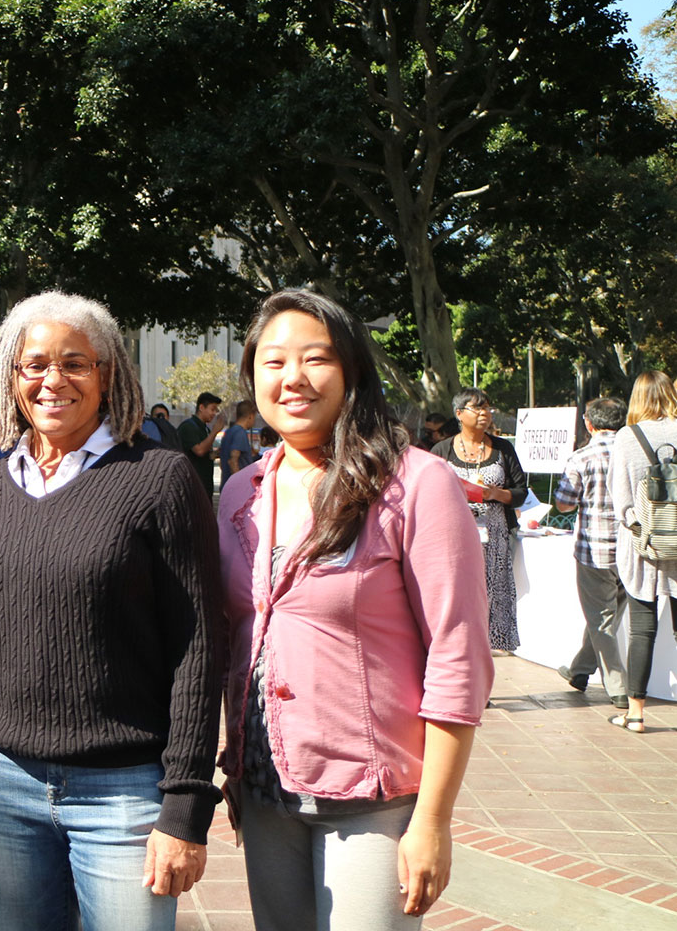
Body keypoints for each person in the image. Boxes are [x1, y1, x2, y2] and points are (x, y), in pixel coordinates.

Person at [218, 290, 492, 930]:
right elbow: (236, 637)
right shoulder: (241, 492)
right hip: (264, 788)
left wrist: (433, 819)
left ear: (351, 371)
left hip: (372, 798)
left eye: (316, 359)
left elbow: (458, 654)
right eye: (273, 361)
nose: (293, 379)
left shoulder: (416, 484)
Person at [0, 291, 222, 931]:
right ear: (9, 378)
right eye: (34, 364)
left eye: (75, 363)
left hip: (124, 791)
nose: (53, 380)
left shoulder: (160, 477)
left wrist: (185, 803)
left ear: (107, 374)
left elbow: (200, 644)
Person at [608, 371, 677, 734]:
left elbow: (621, 500)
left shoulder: (627, 437)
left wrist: (643, 529)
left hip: (642, 544)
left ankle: (635, 713)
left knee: (642, 629)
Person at [432, 390, 527, 654]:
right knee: (458, 600)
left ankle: (483, 660)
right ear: (460, 414)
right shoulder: (442, 450)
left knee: (491, 601)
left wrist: (497, 494)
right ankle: (456, 654)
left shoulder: (503, 448)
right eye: (478, 408)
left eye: (488, 408)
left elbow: (521, 492)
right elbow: (428, 490)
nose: (485, 413)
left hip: (495, 539)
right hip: (453, 540)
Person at [552, 396, 629, 709]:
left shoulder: (581, 457)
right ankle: (581, 670)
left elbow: (563, 503)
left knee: (600, 620)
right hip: (633, 547)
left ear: (589, 423)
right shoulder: (637, 453)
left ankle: (619, 687)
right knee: (606, 616)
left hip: (594, 549)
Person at [177, 391, 226, 495]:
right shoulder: (188, 427)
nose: (214, 413)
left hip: (205, 486)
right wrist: (214, 432)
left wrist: (216, 453)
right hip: (192, 487)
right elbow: (199, 450)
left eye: (216, 410)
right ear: (201, 407)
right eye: (212, 409)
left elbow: (206, 454)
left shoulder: (205, 429)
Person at [219, 400, 258, 488]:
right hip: (236, 488)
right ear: (250, 416)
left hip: (226, 484)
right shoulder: (240, 433)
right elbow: (233, 461)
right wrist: (239, 486)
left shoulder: (228, 432)